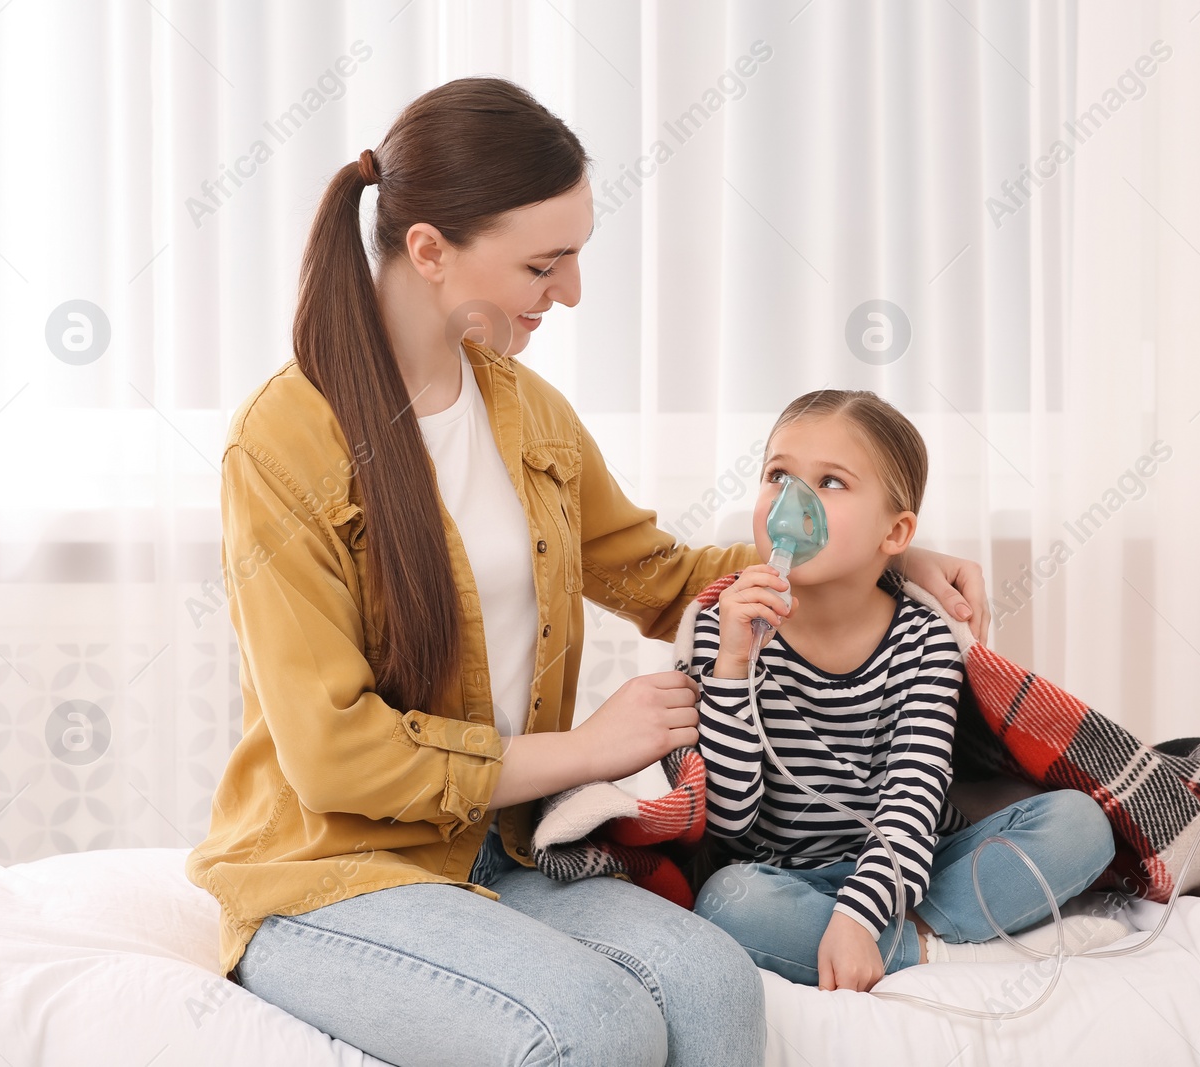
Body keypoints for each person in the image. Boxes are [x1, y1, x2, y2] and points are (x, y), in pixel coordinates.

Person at [184, 76, 992, 1067]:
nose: (568, 292)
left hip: (503, 847)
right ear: (430, 250)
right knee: (593, 1027)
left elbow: (663, 576)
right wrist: (589, 749)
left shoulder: (530, 415)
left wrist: (882, 553)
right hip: (336, 872)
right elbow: (335, 755)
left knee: (711, 981)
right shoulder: (281, 447)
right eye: (543, 263)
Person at [689, 390, 1117, 992]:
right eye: (777, 476)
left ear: (896, 532)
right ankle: (943, 953)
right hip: (791, 878)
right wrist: (733, 666)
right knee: (726, 904)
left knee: (1080, 825)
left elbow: (913, 796)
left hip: (917, 863)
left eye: (832, 482)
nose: (793, 503)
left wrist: (860, 917)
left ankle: (887, 938)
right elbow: (731, 820)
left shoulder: (922, 637)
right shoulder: (724, 627)